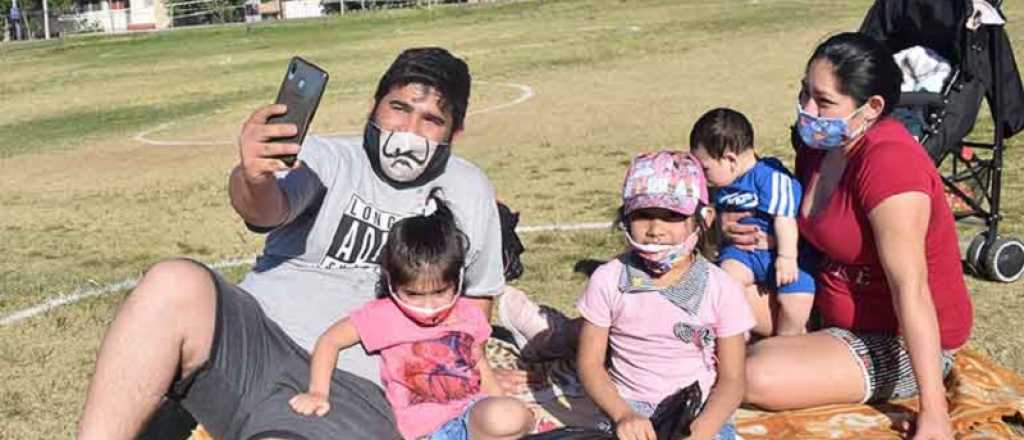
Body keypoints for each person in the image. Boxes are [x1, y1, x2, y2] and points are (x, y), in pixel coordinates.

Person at [78, 47, 507, 440]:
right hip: (254, 344)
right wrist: (253, 175)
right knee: (172, 281)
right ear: (374, 107)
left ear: (456, 132)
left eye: (431, 119)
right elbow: (265, 208)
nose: (408, 130)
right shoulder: (330, 158)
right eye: (398, 108)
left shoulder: (467, 189)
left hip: (356, 389)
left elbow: (477, 304)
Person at [729, 33, 972, 440]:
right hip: (823, 302)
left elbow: (910, 288)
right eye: (805, 92)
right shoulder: (818, 146)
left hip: (894, 338)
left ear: (872, 107)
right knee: (702, 294)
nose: (808, 110)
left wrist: (935, 411)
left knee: (755, 373)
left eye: (823, 102)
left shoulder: (890, 165)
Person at [289, 192, 533, 440]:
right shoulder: (383, 315)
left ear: (457, 280)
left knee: (514, 416)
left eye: (440, 292)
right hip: (425, 432)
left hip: (472, 416)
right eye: (414, 294)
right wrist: (318, 392)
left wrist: (498, 399)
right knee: (506, 418)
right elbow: (330, 341)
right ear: (392, 282)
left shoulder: (467, 313)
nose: (428, 305)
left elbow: (479, 362)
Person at [575, 151, 753, 440]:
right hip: (627, 409)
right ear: (625, 217)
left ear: (703, 218)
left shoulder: (722, 288)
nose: (656, 230)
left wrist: (703, 429)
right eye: (643, 215)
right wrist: (623, 414)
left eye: (672, 216)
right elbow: (590, 363)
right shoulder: (608, 279)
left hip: (698, 411)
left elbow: (733, 379)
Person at [689, 107, 816, 336]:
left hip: (782, 254)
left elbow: (785, 218)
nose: (702, 176)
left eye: (705, 168)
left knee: (796, 300)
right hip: (743, 254)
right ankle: (737, 332)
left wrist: (787, 257)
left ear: (730, 159)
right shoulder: (722, 183)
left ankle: (789, 341)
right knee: (727, 280)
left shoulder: (770, 176)